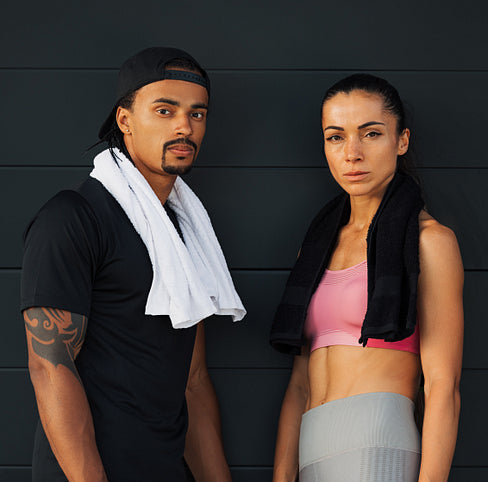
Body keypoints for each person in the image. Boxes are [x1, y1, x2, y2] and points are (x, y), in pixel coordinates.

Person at [21, 47, 245, 482]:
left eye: (197, 114)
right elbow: (49, 367)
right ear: (125, 119)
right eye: (165, 110)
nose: (184, 126)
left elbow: (193, 380)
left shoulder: (185, 236)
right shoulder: (73, 217)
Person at [270, 74, 463, 481]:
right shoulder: (317, 248)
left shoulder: (430, 242)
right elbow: (299, 385)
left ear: (401, 140)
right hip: (312, 446)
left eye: (371, 134)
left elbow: (443, 386)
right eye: (335, 137)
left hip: (376, 443)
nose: (352, 153)